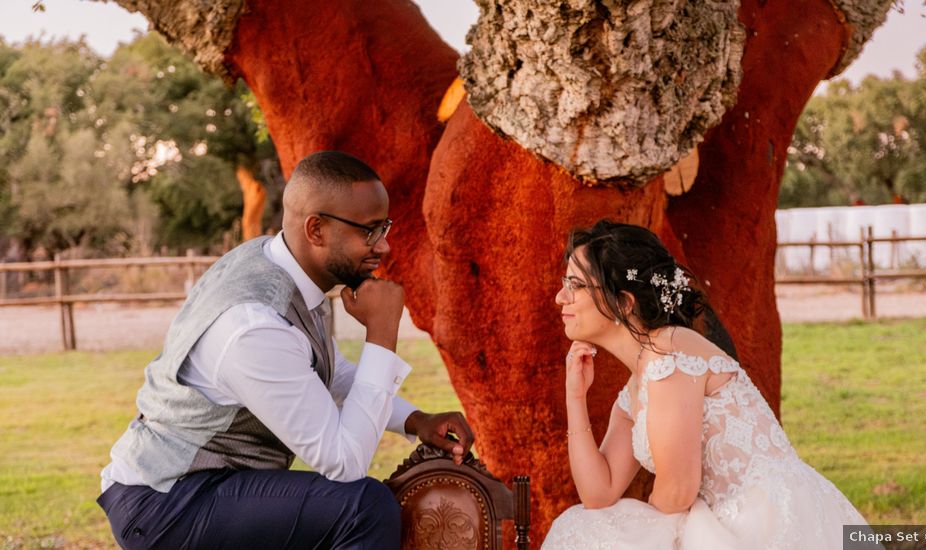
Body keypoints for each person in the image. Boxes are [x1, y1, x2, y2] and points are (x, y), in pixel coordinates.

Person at [97, 151, 474, 549]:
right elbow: (345, 463)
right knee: (363, 508)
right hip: (167, 501)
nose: (384, 247)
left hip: (203, 489)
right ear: (316, 230)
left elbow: (327, 374)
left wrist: (415, 419)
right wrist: (382, 332)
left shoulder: (288, 269)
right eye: (370, 231)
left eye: (385, 227)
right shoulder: (254, 323)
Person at [542, 220, 872, 549]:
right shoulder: (637, 385)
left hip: (763, 521)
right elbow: (599, 493)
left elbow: (678, 492)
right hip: (721, 521)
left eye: (574, 284)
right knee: (580, 527)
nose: (560, 297)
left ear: (624, 302)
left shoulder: (670, 352)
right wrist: (575, 396)